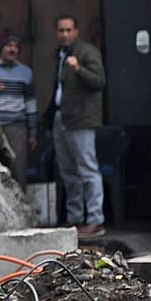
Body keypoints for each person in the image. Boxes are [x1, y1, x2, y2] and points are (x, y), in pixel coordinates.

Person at [46, 15, 107, 239]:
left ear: (76, 31)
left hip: (81, 120)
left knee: (87, 169)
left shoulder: (86, 52)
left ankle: (95, 220)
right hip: (62, 118)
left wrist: (79, 68)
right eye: (61, 30)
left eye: (68, 30)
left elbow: (99, 81)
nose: (64, 34)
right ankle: (75, 218)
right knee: (69, 172)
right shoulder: (61, 55)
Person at [0, 32, 38, 188]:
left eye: (16, 47)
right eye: (9, 45)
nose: (13, 50)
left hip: (17, 127)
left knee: (18, 169)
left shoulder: (25, 73)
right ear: (0, 48)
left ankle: (20, 207)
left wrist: (33, 132)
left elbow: (31, 104)